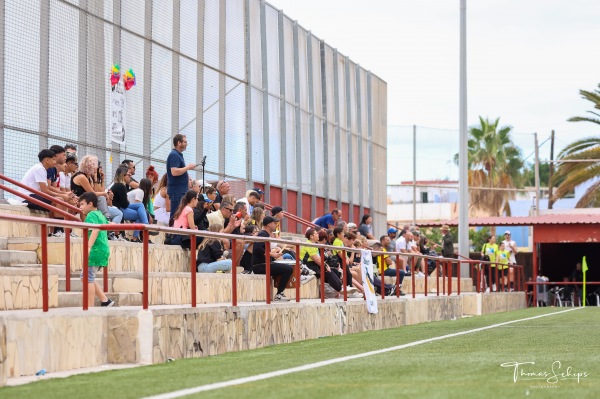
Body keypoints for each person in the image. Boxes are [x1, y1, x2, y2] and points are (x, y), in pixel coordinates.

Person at [78, 192, 114, 307]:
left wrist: (88, 247)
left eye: (82, 204)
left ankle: (90, 307)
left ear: (90, 204)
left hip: (95, 250)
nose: (80, 207)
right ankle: (104, 300)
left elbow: (95, 229)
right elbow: (108, 224)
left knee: (87, 278)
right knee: (87, 277)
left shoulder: (91, 215)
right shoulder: (100, 214)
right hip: (103, 250)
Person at [252, 216, 294, 302]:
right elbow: (257, 249)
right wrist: (272, 254)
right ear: (269, 224)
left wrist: (273, 253)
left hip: (265, 264)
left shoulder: (265, 235)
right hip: (260, 266)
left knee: (285, 267)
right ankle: (279, 294)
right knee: (288, 269)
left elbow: (262, 249)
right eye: (275, 223)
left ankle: (279, 292)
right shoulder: (263, 234)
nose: (276, 225)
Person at [300, 227, 348, 296]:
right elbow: (316, 259)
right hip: (308, 266)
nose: (318, 235)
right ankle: (340, 289)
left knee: (333, 270)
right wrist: (325, 266)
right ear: (311, 236)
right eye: (316, 234)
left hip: (314, 265)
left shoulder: (314, 244)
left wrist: (326, 265)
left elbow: (319, 259)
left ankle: (341, 287)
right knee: (326, 272)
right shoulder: (309, 244)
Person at [111, 166, 150, 243]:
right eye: (128, 175)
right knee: (140, 211)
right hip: (119, 209)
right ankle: (144, 228)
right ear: (123, 175)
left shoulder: (119, 185)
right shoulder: (121, 186)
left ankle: (143, 229)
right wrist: (128, 202)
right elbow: (125, 204)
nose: (130, 176)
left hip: (120, 208)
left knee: (140, 206)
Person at [166, 134, 195, 225]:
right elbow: (174, 171)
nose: (187, 144)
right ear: (179, 143)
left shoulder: (178, 155)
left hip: (180, 191)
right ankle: (171, 236)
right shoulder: (174, 155)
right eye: (185, 142)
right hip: (177, 191)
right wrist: (187, 167)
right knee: (176, 215)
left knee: (179, 214)